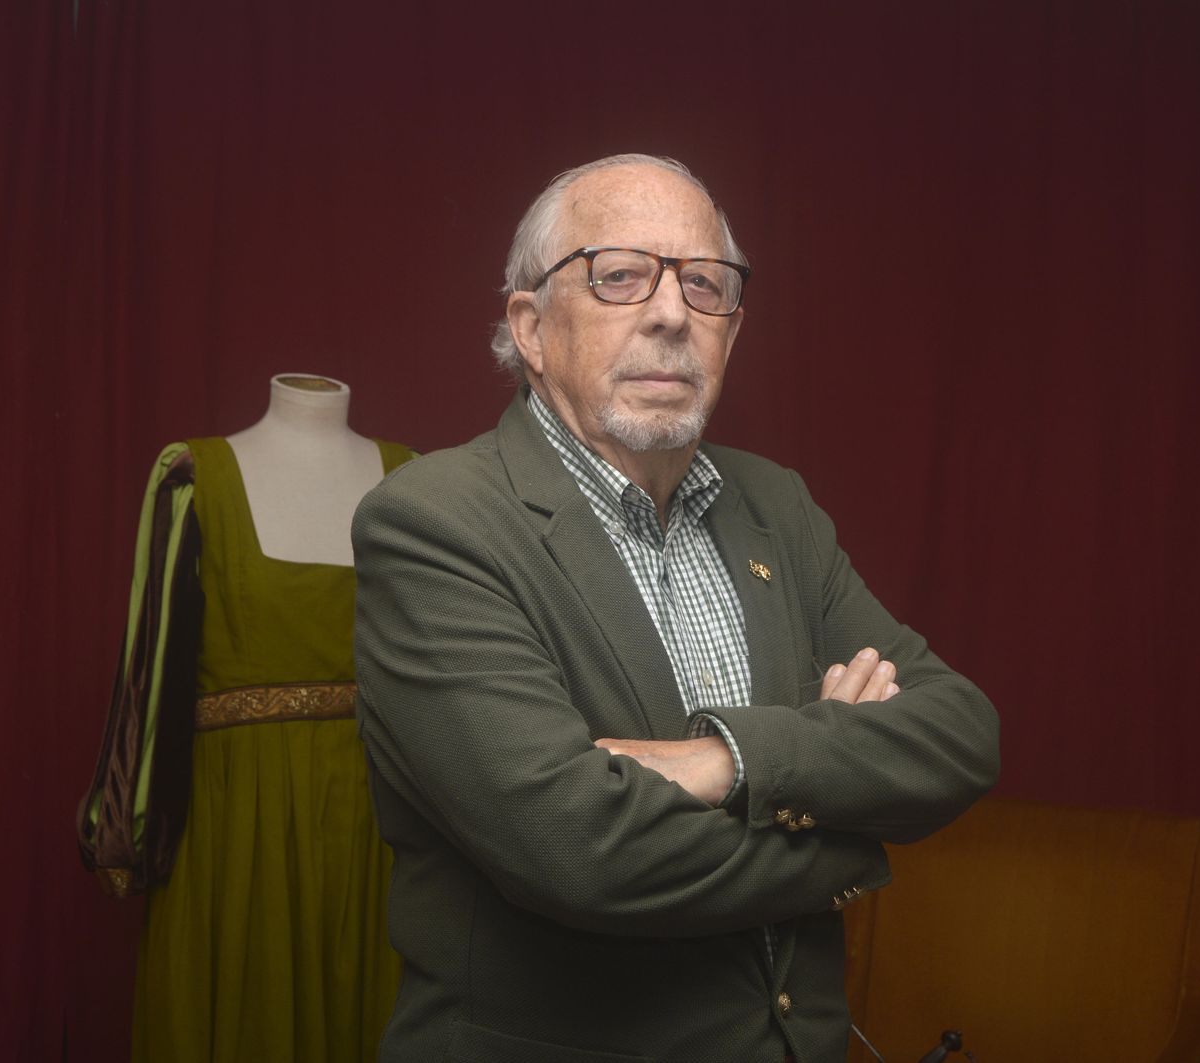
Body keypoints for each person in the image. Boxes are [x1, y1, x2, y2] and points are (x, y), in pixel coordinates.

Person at [351, 155, 999, 1063]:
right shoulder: (435, 522)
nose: (670, 313)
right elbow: (578, 849)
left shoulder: (776, 506)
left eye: (705, 283)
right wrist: (849, 830)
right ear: (531, 327)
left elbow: (961, 731)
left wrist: (723, 760)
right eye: (619, 275)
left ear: (733, 328)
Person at [79, 374, 412, 1062]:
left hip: (373, 827)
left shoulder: (411, 482)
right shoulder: (195, 478)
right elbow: (149, 664)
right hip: (235, 821)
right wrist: (124, 821)